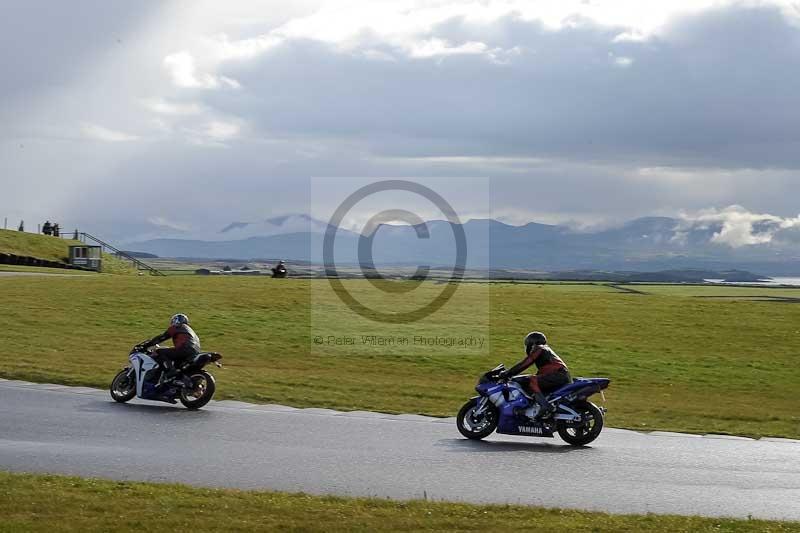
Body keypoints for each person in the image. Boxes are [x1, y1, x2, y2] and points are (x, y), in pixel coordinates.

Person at [499, 331, 572, 419]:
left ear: (532, 343)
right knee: (527, 381)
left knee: (531, 380)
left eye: (528, 345)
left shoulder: (540, 348)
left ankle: (544, 406)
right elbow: (544, 371)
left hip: (558, 375)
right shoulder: (546, 351)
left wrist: (508, 373)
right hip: (559, 376)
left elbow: (526, 363)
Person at [139, 314, 201, 386]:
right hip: (195, 352)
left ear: (176, 321)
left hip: (184, 349)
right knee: (177, 364)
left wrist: (147, 345)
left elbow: (162, 337)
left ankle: (170, 371)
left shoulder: (177, 327)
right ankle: (178, 381)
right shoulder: (190, 331)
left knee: (159, 352)